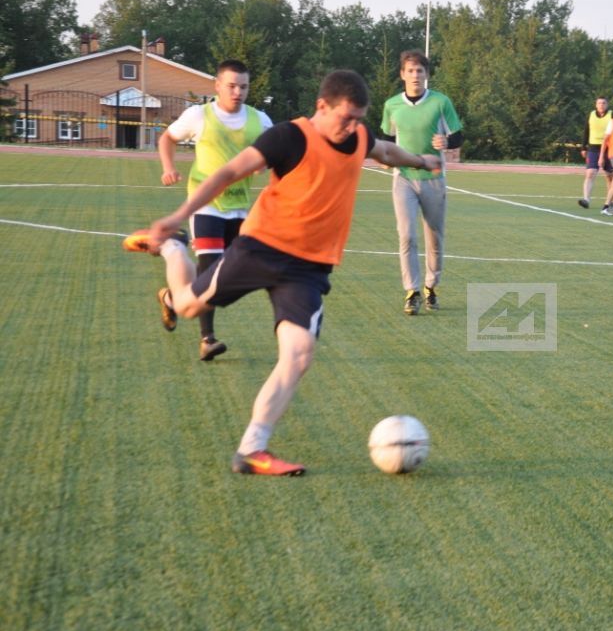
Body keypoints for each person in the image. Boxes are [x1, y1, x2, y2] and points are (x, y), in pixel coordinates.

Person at [124, 70, 442, 476]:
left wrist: (419, 160)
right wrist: (178, 216)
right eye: (345, 117)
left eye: (358, 118)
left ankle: (252, 449)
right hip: (262, 249)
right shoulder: (289, 137)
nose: (352, 127)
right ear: (321, 106)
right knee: (187, 306)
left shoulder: (358, 136)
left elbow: (384, 151)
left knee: (299, 354)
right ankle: (171, 248)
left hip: (308, 269)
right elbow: (228, 173)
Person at [157, 59, 274, 361]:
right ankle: (206, 339)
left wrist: (266, 164)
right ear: (217, 85)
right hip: (206, 204)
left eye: (244, 86)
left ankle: (172, 297)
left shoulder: (260, 120)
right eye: (232, 85)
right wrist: (168, 167)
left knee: (228, 273)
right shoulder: (199, 115)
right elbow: (167, 138)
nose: (238, 92)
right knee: (209, 270)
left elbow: (273, 155)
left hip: (239, 208)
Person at [379, 49, 464, 316]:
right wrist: (385, 157)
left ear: (427, 75)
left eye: (420, 71)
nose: (415, 75)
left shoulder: (440, 102)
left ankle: (431, 286)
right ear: (402, 74)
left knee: (434, 238)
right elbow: (387, 140)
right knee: (407, 235)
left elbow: (458, 136)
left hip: (434, 180)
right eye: (410, 71)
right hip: (404, 179)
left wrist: (446, 142)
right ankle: (412, 291)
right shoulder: (392, 105)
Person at [577, 96, 613, 210]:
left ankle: (610, 200)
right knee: (590, 173)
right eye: (599, 103)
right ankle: (586, 199)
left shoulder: (612, 116)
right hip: (593, 148)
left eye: (603, 103)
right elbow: (586, 131)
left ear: (607, 105)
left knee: (609, 176)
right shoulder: (592, 115)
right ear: (596, 105)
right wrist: (583, 147)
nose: (601, 105)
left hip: (608, 148)